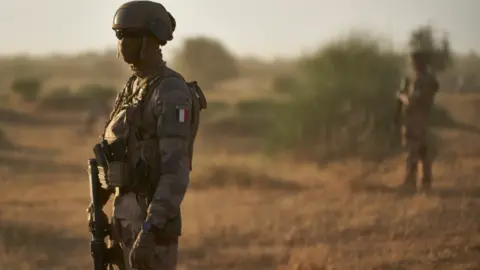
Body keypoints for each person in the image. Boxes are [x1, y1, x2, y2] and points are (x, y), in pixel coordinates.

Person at [87, 1, 206, 269]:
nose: (120, 42)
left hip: (151, 227)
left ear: (150, 38)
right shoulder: (133, 87)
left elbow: (175, 172)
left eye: (127, 35)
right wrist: (98, 205)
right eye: (118, 35)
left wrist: (150, 231)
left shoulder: (170, 92)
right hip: (125, 220)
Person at [395, 50, 439, 193]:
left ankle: (411, 182)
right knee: (421, 151)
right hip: (420, 119)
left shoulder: (424, 80)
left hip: (417, 119)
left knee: (414, 150)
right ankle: (424, 181)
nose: (412, 64)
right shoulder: (424, 79)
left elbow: (414, 100)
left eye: (414, 61)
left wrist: (401, 96)